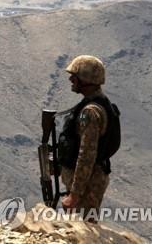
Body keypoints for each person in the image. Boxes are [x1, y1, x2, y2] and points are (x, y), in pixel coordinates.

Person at [58, 55, 120, 222]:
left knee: (83, 229)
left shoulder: (90, 112)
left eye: (75, 76)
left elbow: (87, 155)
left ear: (85, 79)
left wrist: (75, 195)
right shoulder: (97, 104)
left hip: (87, 185)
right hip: (89, 181)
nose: (71, 79)